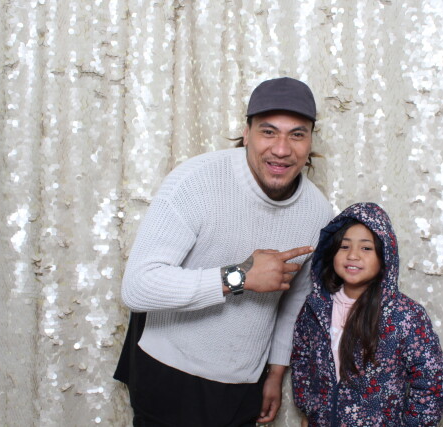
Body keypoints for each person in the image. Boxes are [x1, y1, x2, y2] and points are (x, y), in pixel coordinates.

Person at [114, 77, 333, 427]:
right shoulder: (196, 180)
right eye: (268, 132)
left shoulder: (318, 212)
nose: (281, 149)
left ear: (310, 142)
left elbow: (296, 300)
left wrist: (276, 371)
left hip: (243, 382)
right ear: (246, 133)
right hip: (169, 370)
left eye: (297, 134)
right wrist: (240, 277)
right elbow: (138, 287)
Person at [291, 202, 443, 426]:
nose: (353, 255)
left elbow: (432, 379)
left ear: (385, 257)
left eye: (366, 248)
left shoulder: (404, 315)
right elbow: (301, 359)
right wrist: (309, 410)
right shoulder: (315, 307)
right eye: (344, 246)